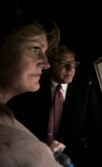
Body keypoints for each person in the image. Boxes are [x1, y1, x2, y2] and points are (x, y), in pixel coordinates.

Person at [0, 4, 63, 167]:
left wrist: (47, 153)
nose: (46, 63)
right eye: (35, 49)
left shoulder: (6, 116)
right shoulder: (20, 151)